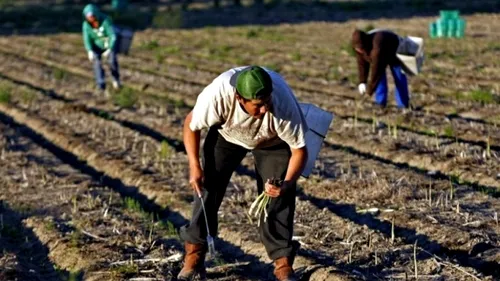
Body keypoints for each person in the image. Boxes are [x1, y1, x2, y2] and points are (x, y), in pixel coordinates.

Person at [178, 66, 309, 281]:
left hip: (272, 142)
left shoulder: (283, 105)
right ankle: (194, 257)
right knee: (207, 190)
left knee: (277, 197)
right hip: (228, 135)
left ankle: (283, 264)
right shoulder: (218, 94)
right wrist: (194, 166)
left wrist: (286, 183)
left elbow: (299, 150)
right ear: (239, 98)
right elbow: (191, 125)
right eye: (258, 105)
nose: (265, 109)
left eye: (267, 101)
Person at [352, 29, 410, 108]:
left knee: (399, 78)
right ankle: (380, 103)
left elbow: (377, 70)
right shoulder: (358, 49)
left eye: (361, 48)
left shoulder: (376, 46)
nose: (360, 51)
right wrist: (362, 81)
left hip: (395, 52)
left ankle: (403, 104)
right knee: (380, 80)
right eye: (358, 49)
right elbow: (362, 64)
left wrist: (370, 90)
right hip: (380, 57)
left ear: (365, 44)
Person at [82, 4, 121, 94]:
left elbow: (112, 35)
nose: (91, 19)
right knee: (97, 63)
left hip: (108, 45)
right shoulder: (86, 25)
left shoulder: (105, 20)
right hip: (96, 46)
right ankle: (101, 84)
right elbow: (86, 38)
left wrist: (110, 49)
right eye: (89, 17)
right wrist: (89, 50)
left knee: (112, 62)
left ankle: (116, 80)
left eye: (92, 16)